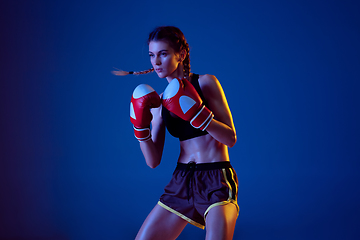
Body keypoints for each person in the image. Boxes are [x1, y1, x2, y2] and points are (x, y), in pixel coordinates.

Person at [113, 26, 239, 240]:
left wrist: (201, 116)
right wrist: (140, 129)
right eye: (152, 55)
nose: (156, 62)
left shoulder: (205, 83)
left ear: (180, 55)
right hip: (181, 181)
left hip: (216, 178)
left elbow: (230, 138)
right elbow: (153, 161)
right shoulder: (159, 103)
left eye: (163, 53)